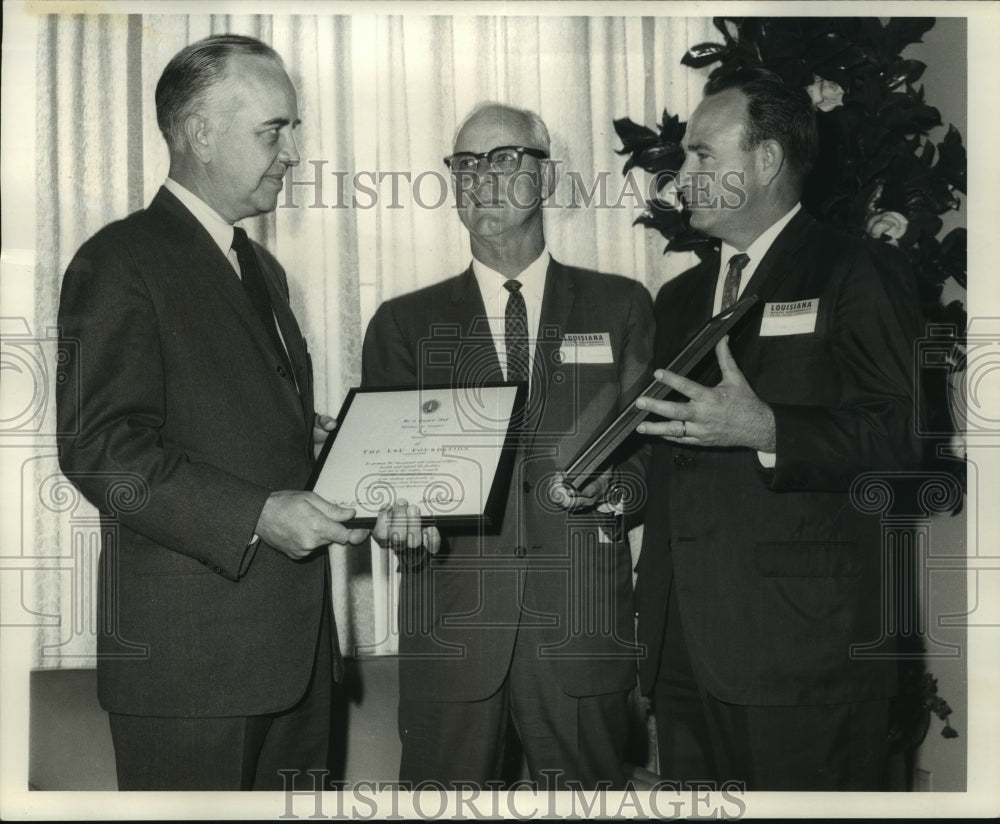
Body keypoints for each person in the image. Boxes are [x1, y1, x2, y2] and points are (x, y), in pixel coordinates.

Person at [55, 33, 428, 791]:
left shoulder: (262, 267)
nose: (293, 151)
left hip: (293, 664)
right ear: (199, 133)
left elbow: (231, 423)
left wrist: (327, 446)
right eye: (274, 130)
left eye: (293, 129)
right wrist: (257, 512)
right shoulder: (119, 259)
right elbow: (100, 448)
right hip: (191, 676)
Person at [633, 67, 923, 790]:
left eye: (703, 155)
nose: (681, 176)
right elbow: (674, 455)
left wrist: (769, 430)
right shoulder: (679, 298)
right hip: (683, 653)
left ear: (765, 162)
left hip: (806, 656)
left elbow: (899, 445)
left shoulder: (856, 272)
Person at [361, 103, 655, 790]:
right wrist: (402, 526)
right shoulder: (404, 324)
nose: (480, 179)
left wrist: (613, 492)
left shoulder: (621, 306)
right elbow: (389, 481)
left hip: (582, 636)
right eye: (465, 165)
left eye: (502, 160)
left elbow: (651, 463)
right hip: (454, 640)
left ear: (545, 176)